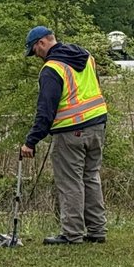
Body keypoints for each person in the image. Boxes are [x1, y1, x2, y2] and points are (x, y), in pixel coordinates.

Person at [19, 26, 108, 245]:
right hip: (98, 124)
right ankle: (97, 230)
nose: (36, 56)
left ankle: (72, 234)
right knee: (91, 177)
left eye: (34, 50)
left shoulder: (52, 69)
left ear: (41, 43)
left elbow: (45, 109)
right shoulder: (86, 56)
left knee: (71, 183)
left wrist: (31, 141)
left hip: (71, 132)